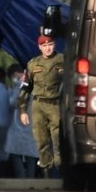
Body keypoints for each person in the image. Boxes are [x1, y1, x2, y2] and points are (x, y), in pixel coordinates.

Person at [18, 33, 64, 177]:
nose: (48, 48)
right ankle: (46, 174)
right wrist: (23, 110)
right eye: (44, 46)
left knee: (58, 140)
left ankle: (61, 171)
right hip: (38, 106)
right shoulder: (32, 64)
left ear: (54, 44)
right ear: (39, 47)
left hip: (56, 105)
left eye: (50, 45)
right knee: (41, 140)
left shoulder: (63, 60)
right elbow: (25, 87)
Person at [4, 63, 39, 178]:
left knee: (15, 153)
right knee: (31, 156)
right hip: (32, 124)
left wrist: (11, 92)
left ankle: (22, 179)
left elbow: (13, 102)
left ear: (14, 75)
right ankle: (30, 180)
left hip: (19, 125)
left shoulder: (20, 84)